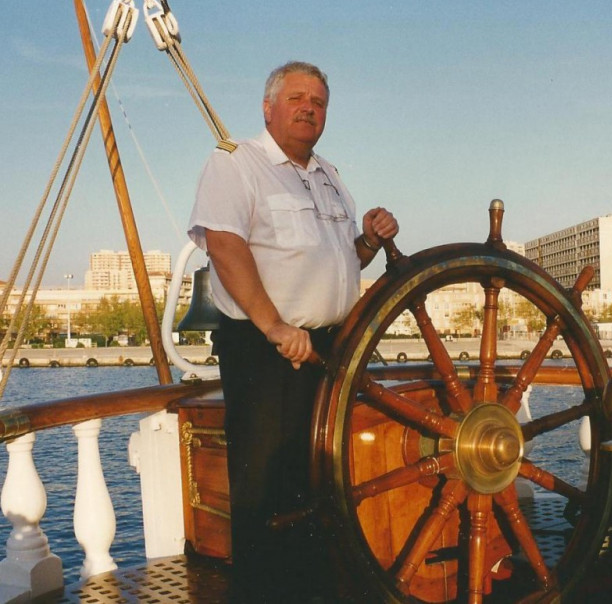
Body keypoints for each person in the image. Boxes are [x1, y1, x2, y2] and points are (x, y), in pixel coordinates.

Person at [187, 61, 398, 602]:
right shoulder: (237, 163)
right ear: (269, 107)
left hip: (325, 350)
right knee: (264, 493)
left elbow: (341, 261)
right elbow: (225, 244)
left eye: (319, 101)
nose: (309, 107)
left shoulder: (329, 175)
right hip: (266, 348)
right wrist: (275, 325)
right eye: (297, 97)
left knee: (314, 486)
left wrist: (370, 242)